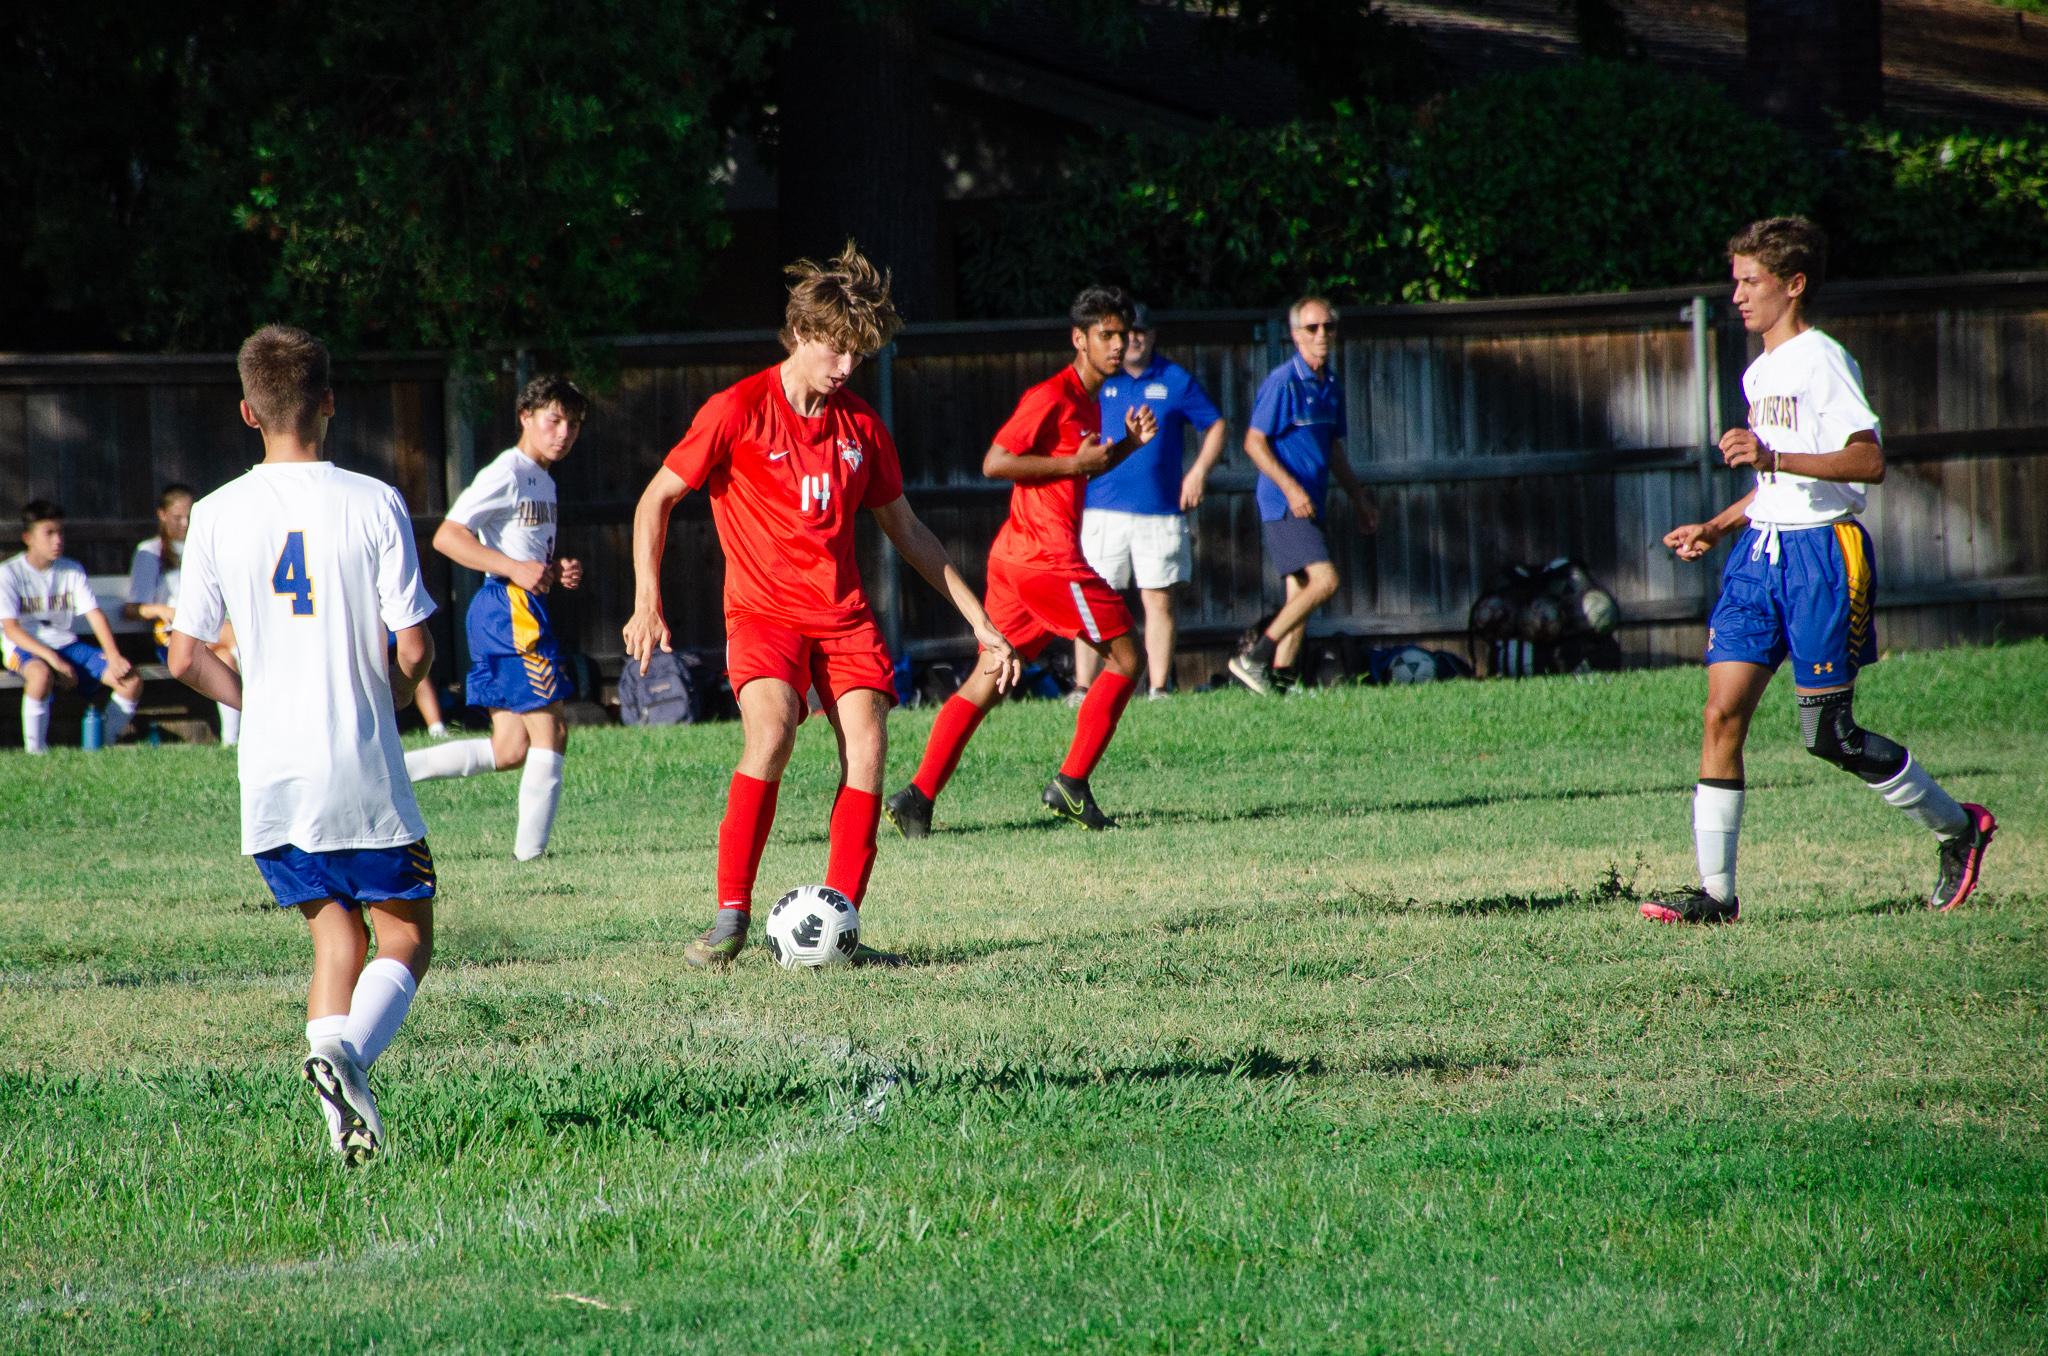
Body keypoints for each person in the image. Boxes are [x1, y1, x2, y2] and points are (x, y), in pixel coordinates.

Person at [624, 242, 1019, 967]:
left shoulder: (861, 428)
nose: (846, 368)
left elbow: (909, 532)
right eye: (837, 350)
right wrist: (647, 600)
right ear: (802, 334)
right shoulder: (737, 409)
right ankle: (731, 916)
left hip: (843, 620)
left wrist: (981, 621)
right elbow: (656, 499)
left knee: (867, 750)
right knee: (771, 733)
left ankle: (840, 929)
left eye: (857, 356)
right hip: (763, 614)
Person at [1643, 217, 1996, 924]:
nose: (1737, 295)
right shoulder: (1761, 369)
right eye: (1735, 280)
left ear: (1793, 284)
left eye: (1750, 282)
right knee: (1721, 714)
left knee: (1827, 736)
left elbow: (1867, 461)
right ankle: (1717, 896)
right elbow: (1778, 482)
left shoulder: (1822, 360)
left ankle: (1959, 827)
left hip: (1822, 559)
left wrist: (1770, 458)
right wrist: (1717, 527)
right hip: (1759, 557)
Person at [167, 324, 438, 1162]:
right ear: (328, 403)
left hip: (272, 773)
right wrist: (387, 698)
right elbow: (417, 648)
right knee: (406, 935)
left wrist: (255, 701)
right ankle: (345, 1054)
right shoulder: (373, 500)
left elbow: (184, 655)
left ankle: (341, 1121)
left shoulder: (213, 513)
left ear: (249, 411)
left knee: (335, 937)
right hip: (357, 763)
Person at [884, 285, 1158, 839]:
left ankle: (916, 796)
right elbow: (995, 462)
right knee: (1128, 657)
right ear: (1078, 339)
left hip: (1016, 559)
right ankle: (1072, 783)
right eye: (1105, 334)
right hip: (1046, 560)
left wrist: (1122, 448)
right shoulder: (1051, 395)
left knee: (987, 679)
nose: (1117, 344)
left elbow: (1075, 466)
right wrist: (1071, 461)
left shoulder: (1087, 399)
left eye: (1122, 334)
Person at [403, 376, 587, 859]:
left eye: (573, 424)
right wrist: (515, 569)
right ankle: (532, 860)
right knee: (554, 730)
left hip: (515, 608)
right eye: (554, 419)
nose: (563, 432)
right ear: (525, 417)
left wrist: (553, 569)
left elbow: (523, 553)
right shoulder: (507, 471)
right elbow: (448, 536)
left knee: (509, 749)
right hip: (509, 610)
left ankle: (393, 772)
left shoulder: (543, 479)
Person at [1072, 302, 1227, 700]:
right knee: (1093, 599)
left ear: (1154, 335)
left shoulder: (1175, 379)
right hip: (1102, 509)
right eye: (1126, 333)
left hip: (1160, 512)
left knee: (1159, 598)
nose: (1133, 339)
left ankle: (1158, 688)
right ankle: (1083, 687)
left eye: (1141, 331)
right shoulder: (1100, 377)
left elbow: (1215, 425)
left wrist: (1197, 473)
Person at [1228, 296, 1378, 695]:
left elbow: (1333, 450)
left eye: (1328, 326)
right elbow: (1253, 443)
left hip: (1311, 501)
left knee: (1301, 595)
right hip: (1282, 503)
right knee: (1324, 581)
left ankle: (1278, 681)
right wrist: (1291, 489)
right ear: (1296, 335)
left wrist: (1359, 499)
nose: (1321, 335)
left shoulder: (1330, 384)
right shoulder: (1284, 381)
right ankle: (1253, 658)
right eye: (1312, 328)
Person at [2, 501, 142, 752]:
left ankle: (101, 746)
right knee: (40, 675)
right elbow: (11, 629)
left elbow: (95, 614)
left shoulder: (71, 569)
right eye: (49, 533)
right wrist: (53, 661)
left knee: (131, 681)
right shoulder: (9, 573)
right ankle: (36, 753)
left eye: (60, 532)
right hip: (24, 648)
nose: (58, 540)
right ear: (28, 538)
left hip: (67, 645)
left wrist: (113, 655)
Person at [128, 483, 244, 746]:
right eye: (177, 516)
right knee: (240, 639)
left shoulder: (201, 545)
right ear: (162, 514)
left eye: (189, 516)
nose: (185, 523)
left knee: (225, 658)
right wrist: (161, 609)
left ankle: (232, 740)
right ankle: (266, 713)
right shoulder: (151, 552)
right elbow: (133, 607)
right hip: (173, 632)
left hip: (209, 625)